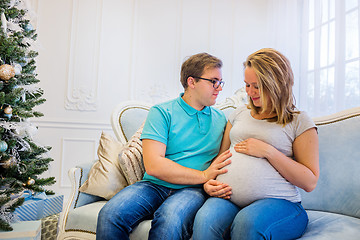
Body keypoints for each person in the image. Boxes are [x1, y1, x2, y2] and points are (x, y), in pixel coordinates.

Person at [96, 53, 232, 240]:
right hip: (154, 185)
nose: (219, 88)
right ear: (191, 82)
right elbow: (154, 165)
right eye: (213, 81)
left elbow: (222, 159)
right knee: (110, 215)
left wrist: (206, 180)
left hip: (193, 190)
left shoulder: (221, 120)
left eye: (220, 82)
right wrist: (203, 175)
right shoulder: (162, 112)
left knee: (169, 220)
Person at [193, 48, 319, 240]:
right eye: (247, 85)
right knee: (205, 220)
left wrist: (269, 152)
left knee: (247, 223)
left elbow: (310, 182)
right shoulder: (239, 113)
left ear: (277, 83)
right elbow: (221, 157)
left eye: (257, 86)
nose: (250, 92)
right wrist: (209, 182)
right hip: (228, 199)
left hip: (281, 203)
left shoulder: (298, 121)